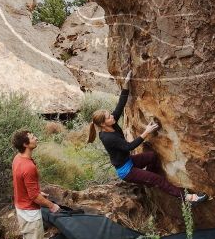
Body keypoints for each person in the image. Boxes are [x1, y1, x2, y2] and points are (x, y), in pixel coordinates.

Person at [88, 71, 208, 204]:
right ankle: (188, 199)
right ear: (104, 124)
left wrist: (126, 83)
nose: (112, 115)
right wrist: (147, 131)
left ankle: (148, 180)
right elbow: (129, 147)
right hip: (126, 171)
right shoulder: (107, 138)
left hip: (129, 161)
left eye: (109, 114)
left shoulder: (111, 123)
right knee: (158, 179)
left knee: (152, 156)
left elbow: (120, 106)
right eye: (108, 117)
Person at [12, 129, 60, 239]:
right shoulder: (28, 166)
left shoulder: (17, 159)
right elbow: (34, 197)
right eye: (32, 137)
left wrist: (39, 193)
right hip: (30, 213)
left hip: (20, 208)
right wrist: (51, 205)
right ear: (26, 144)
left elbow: (25, 186)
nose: (36, 138)